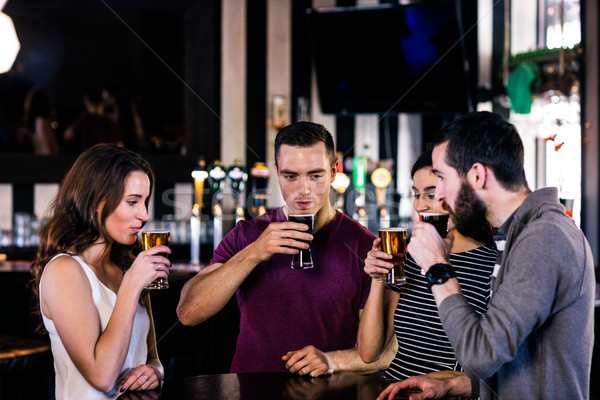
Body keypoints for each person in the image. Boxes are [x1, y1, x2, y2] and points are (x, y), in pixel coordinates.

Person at [390, 111, 595, 400]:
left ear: (477, 175)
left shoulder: (544, 237)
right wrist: (452, 385)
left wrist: (437, 266)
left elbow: (481, 355)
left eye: (441, 178)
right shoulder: (514, 234)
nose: (439, 196)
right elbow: (509, 355)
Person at [177, 121, 396, 375]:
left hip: (330, 395)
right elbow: (188, 313)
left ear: (334, 172)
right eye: (290, 176)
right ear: (276, 172)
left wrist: (333, 361)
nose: (303, 190)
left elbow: (386, 352)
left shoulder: (364, 245)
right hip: (251, 391)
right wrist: (254, 253)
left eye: (315, 175)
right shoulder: (247, 235)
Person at [30, 144, 168, 399]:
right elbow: (102, 378)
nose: (144, 214)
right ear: (97, 202)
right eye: (132, 201)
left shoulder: (129, 266)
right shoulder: (64, 271)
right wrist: (132, 284)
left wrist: (154, 372)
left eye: (145, 201)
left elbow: (152, 358)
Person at [357, 150, 497, 393]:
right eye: (416, 193)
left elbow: (497, 364)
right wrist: (378, 280)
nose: (421, 204)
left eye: (431, 194)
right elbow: (369, 353)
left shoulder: (492, 264)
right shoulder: (410, 255)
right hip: (393, 390)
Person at [64, 87, 122, 152]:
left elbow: (67, 135)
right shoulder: (111, 122)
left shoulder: (85, 120)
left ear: (87, 102)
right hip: (107, 159)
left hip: (90, 159)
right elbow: (119, 144)